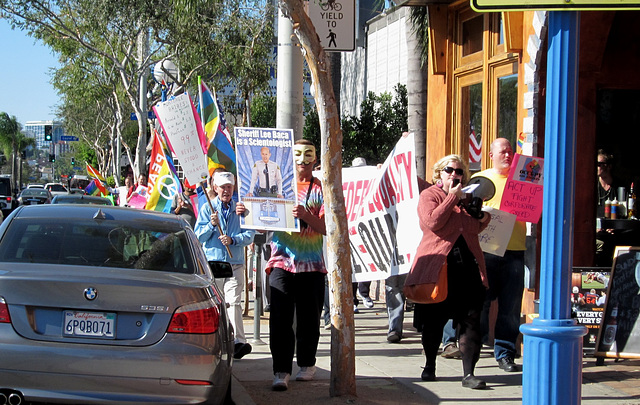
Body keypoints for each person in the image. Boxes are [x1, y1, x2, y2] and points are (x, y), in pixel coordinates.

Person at [406, 154, 490, 389]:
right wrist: (451, 198)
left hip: (468, 269)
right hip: (439, 269)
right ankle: (430, 365)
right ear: (438, 174)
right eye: (449, 170)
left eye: (459, 171)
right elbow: (432, 222)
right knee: (433, 322)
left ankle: (468, 374)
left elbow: (472, 228)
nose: (455, 174)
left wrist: (483, 216)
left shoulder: (468, 197)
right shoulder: (430, 195)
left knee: (471, 320)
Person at [267, 139, 326, 391]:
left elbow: (327, 227)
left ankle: (307, 364)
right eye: (298, 155)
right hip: (281, 262)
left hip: (311, 264)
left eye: (307, 155)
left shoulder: (322, 188)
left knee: (309, 319)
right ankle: (281, 371)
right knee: (279, 319)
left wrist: (306, 216)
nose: (302, 160)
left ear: (315, 159)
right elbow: (261, 224)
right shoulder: (277, 185)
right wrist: (244, 212)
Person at [471, 138, 525, 373]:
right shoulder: (480, 180)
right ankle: (467, 348)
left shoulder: (523, 180)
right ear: (491, 155)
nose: (507, 155)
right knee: (477, 301)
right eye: (502, 152)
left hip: (515, 250)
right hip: (487, 250)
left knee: (511, 307)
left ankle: (505, 354)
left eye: (510, 151)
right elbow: (468, 213)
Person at [194, 171, 256, 360]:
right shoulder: (207, 209)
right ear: (215, 188)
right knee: (216, 304)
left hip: (235, 263)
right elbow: (198, 237)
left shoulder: (241, 209)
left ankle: (237, 341)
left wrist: (233, 240)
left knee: (234, 302)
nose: (226, 190)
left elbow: (249, 235)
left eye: (229, 186)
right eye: (223, 187)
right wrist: (211, 226)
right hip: (215, 264)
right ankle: (215, 340)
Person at [596, 150, 623, 266]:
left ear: (608, 166)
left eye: (599, 164)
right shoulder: (592, 185)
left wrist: (616, 227)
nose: (596, 167)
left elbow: (624, 212)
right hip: (597, 232)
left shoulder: (619, 188)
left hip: (614, 232)